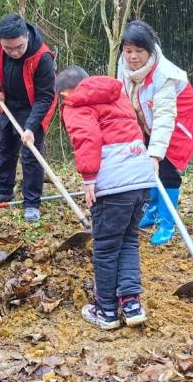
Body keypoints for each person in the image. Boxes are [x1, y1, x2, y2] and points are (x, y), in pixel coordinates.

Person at [56, 66, 155, 329]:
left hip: (113, 185)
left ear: (66, 93)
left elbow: (87, 138)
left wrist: (88, 178)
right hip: (141, 178)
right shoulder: (116, 95)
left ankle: (106, 311)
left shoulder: (76, 103)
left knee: (106, 247)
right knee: (128, 240)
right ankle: (132, 305)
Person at [117, 21, 193, 246]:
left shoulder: (164, 74)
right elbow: (124, 97)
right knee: (146, 167)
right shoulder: (124, 66)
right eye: (128, 51)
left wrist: (156, 154)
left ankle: (167, 223)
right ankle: (153, 210)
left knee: (166, 171)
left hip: (177, 122)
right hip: (147, 119)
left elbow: (165, 118)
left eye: (139, 51)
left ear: (151, 50)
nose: (133, 56)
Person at [0, 13, 56, 222]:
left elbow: (46, 96)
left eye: (19, 47)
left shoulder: (42, 57)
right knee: (5, 147)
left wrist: (31, 127)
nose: (14, 52)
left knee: (31, 154)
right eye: (9, 48)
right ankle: (4, 190)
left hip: (33, 106)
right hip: (8, 102)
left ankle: (32, 203)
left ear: (26, 37)